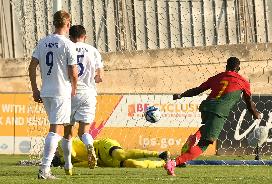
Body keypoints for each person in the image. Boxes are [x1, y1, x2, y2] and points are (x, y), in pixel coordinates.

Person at [164, 57, 261, 176]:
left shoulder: (217, 77)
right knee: (204, 145)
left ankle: (195, 136)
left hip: (206, 106)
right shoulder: (243, 82)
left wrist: (181, 96)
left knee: (206, 128)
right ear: (238, 68)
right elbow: (249, 104)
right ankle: (173, 163)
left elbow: (197, 90)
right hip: (219, 111)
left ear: (226, 67)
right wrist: (256, 115)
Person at [28, 10, 78, 179]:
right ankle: (44, 169)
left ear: (54, 24)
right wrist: (74, 87)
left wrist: (35, 89)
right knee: (55, 130)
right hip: (60, 91)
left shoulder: (43, 42)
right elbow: (73, 70)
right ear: (68, 25)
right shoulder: (68, 44)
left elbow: (32, 66)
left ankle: (47, 168)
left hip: (46, 91)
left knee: (56, 127)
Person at [61, 25, 104, 175]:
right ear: (85, 37)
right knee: (84, 131)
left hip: (70, 94)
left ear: (70, 37)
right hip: (89, 94)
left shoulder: (67, 48)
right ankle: (89, 145)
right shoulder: (93, 51)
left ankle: (68, 165)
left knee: (67, 132)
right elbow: (100, 77)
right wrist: (95, 78)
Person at [52, 137, 170, 168]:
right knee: (135, 165)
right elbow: (89, 164)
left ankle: (159, 154)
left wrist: (63, 162)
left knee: (120, 155)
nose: (55, 155)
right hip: (105, 162)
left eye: (54, 154)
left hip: (102, 147)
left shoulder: (62, 143)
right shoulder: (70, 164)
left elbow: (72, 154)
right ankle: (165, 164)